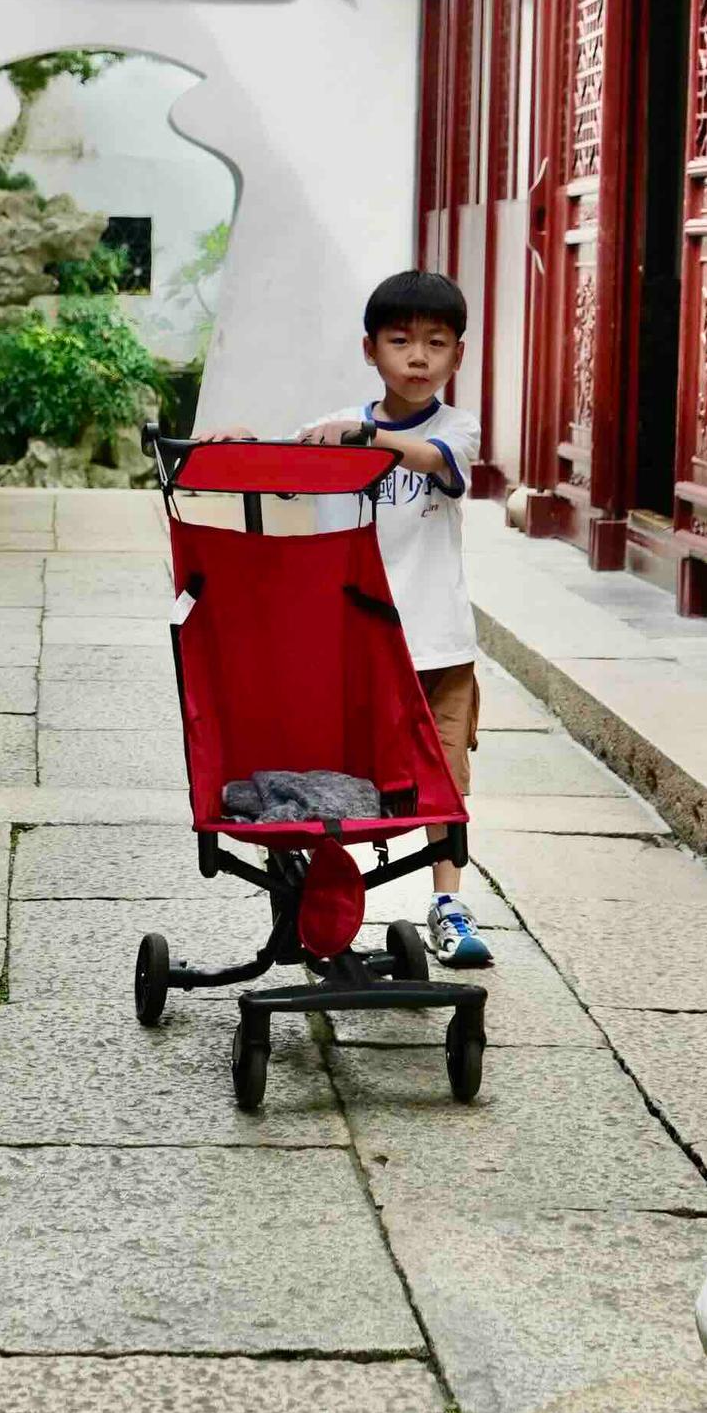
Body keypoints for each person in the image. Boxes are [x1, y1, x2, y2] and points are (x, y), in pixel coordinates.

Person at [301, 268, 494, 971]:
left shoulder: (455, 431)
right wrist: (239, 438)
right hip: (354, 646)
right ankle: (325, 898)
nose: (418, 357)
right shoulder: (338, 430)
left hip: (439, 646)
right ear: (370, 349)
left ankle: (448, 904)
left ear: (458, 356)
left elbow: (436, 462)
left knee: (444, 777)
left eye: (436, 343)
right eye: (400, 341)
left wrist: (370, 438)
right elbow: (277, 468)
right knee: (338, 775)